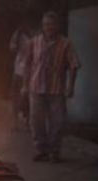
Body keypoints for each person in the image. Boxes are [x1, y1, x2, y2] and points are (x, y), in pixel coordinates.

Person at [22, 11, 80, 162]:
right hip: (36, 88)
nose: (49, 27)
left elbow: (74, 65)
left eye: (52, 24)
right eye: (46, 24)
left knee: (58, 122)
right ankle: (42, 150)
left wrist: (70, 87)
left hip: (56, 90)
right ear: (42, 26)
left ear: (57, 26)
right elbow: (27, 64)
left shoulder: (66, 44)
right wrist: (24, 85)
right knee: (35, 122)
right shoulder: (34, 42)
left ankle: (54, 152)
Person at [9, 19, 35, 128]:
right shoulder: (18, 33)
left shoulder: (38, 34)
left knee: (30, 96)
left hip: (33, 71)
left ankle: (28, 120)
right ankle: (15, 121)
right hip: (19, 70)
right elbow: (12, 48)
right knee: (16, 96)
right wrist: (15, 44)